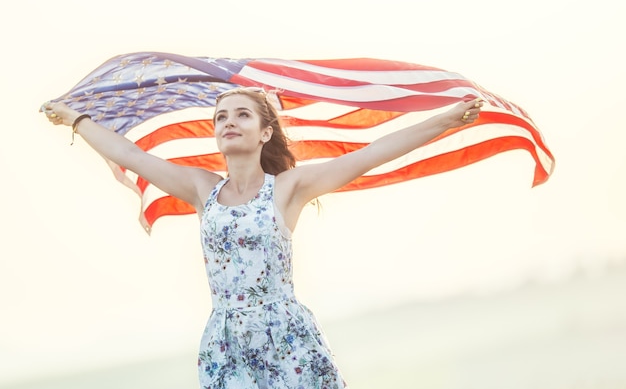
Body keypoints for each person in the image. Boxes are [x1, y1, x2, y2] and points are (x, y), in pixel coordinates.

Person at [42, 88, 482, 389]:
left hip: (285, 335)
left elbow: (370, 154)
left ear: (264, 132)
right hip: (226, 338)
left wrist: (444, 120)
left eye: (242, 115)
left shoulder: (288, 188)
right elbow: (131, 155)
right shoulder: (201, 188)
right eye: (221, 117)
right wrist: (74, 120)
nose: (228, 122)